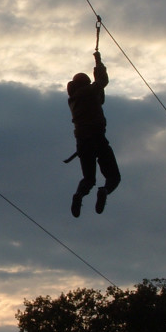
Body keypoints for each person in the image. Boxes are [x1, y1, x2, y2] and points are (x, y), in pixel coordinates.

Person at [66, 51, 121, 217]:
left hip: (82, 142)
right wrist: (98, 62)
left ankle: (78, 195)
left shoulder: (74, 99)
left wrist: (97, 72)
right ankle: (104, 191)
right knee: (114, 177)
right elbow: (102, 82)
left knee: (89, 179)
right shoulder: (88, 92)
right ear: (86, 84)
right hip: (97, 138)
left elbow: (100, 97)